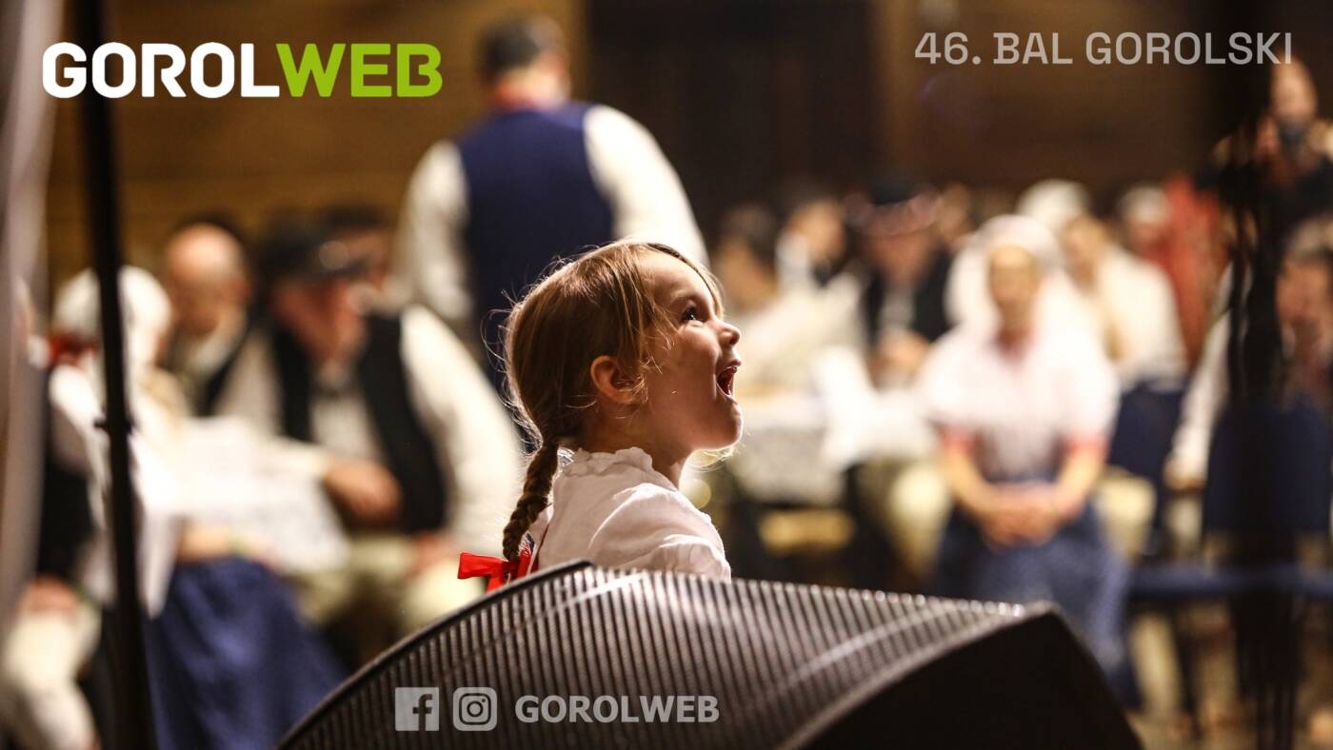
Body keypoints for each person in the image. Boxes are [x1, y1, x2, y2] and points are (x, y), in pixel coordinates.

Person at [211, 219, 521, 645]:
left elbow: (485, 447)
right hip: (318, 554)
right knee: (257, 622)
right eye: (315, 292)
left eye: (341, 285)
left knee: (442, 612)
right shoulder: (269, 352)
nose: (336, 301)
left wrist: (461, 542)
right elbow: (236, 448)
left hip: (422, 545)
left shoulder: (408, 334)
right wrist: (324, 469)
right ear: (282, 303)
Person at [396, 15, 705, 379]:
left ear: (482, 78)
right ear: (556, 64)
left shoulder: (445, 165)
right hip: (619, 375)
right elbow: (669, 256)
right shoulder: (610, 135)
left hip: (507, 380)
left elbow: (435, 297)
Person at [917, 215, 1128, 677]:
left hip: (1060, 503)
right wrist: (988, 505)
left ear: (1039, 282)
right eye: (998, 277)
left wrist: (1052, 505)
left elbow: (1086, 451)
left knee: (1054, 569)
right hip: (983, 506)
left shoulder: (1075, 352)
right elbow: (954, 455)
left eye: (1018, 277)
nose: (1008, 290)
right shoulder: (956, 355)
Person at [460, 241, 739, 588]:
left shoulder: (577, 507)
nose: (732, 331)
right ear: (620, 380)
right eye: (692, 315)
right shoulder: (653, 523)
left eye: (718, 313)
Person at [1166, 243, 1333, 491]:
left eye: (1312, 297)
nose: (1303, 310)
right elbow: (1202, 413)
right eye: (1295, 291)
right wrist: (1190, 466)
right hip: (1249, 479)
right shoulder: (1239, 337)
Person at [158, 216, 251, 413]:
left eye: (188, 294)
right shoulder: (165, 341)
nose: (172, 303)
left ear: (233, 289)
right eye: (169, 286)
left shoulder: (259, 346)